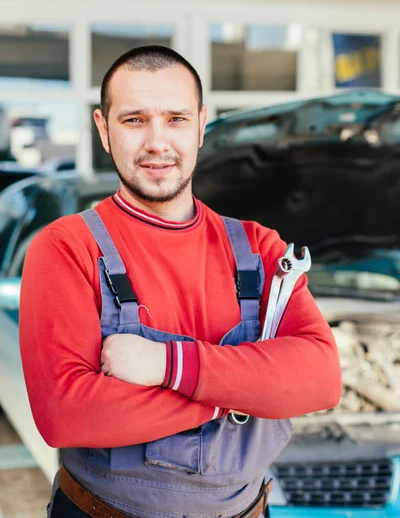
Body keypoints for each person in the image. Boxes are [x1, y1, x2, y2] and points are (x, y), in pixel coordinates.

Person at [19, 45, 342, 518]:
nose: (156, 142)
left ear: (201, 125)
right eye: (133, 120)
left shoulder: (259, 247)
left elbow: (320, 380)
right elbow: (67, 415)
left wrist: (167, 366)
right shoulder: (66, 247)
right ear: (103, 130)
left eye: (175, 118)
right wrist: (240, 395)